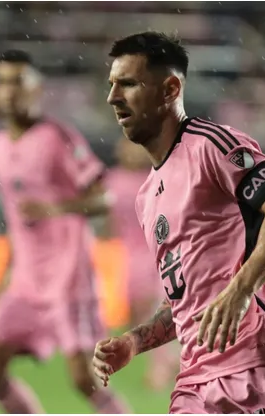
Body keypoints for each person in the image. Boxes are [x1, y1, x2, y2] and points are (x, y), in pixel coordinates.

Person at [93, 32, 265, 414]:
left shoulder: (209, 145)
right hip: (194, 382)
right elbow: (184, 300)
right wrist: (135, 341)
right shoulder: (146, 197)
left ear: (170, 89)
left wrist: (241, 289)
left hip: (259, 365)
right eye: (112, 84)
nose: (113, 97)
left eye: (129, 84)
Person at [0, 49, 129, 414]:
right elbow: (15, 219)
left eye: (18, 82)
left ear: (36, 89)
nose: (9, 91)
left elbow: (103, 197)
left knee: (84, 380)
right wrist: (8, 271)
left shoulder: (58, 137)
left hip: (68, 276)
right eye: (2, 82)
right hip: (26, 280)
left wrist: (56, 209)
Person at [103, 138, 179, 390]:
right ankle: (169, 361)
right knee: (137, 312)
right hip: (129, 253)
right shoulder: (112, 179)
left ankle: (160, 369)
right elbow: (111, 220)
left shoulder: (157, 177)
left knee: (155, 308)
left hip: (156, 250)